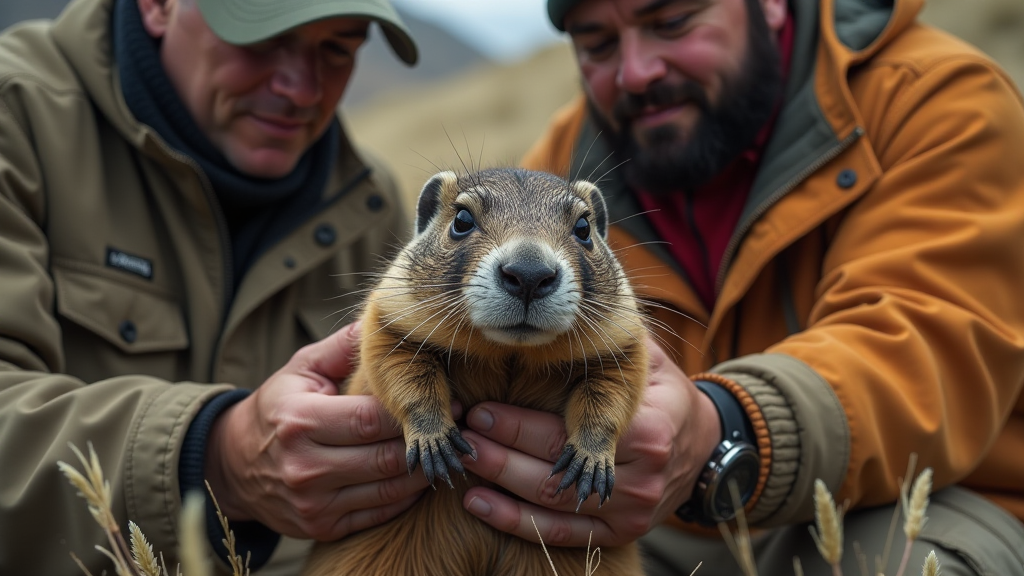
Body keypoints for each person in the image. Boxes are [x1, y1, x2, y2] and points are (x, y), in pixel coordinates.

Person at [454, 0, 1024, 573]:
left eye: (672, 21)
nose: (636, 72)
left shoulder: (935, 101)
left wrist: (720, 430)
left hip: (920, 499)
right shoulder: (563, 168)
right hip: (650, 524)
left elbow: (926, 350)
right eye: (598, 44)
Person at [0, 0, 431, 573]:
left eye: (338, 48)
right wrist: (216, 459)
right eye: (262, 37)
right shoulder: (18, 117)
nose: (301, 89)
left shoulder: (367, 200)